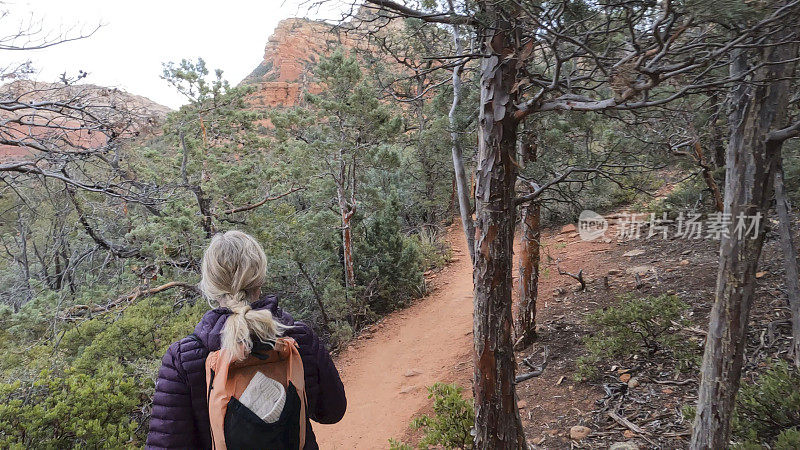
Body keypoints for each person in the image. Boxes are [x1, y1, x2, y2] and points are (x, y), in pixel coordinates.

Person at [146, 231, 346, 449]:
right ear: (259, 277)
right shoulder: (299, 338)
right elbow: (332, 412)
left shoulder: (182, 358)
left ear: (211, 285)